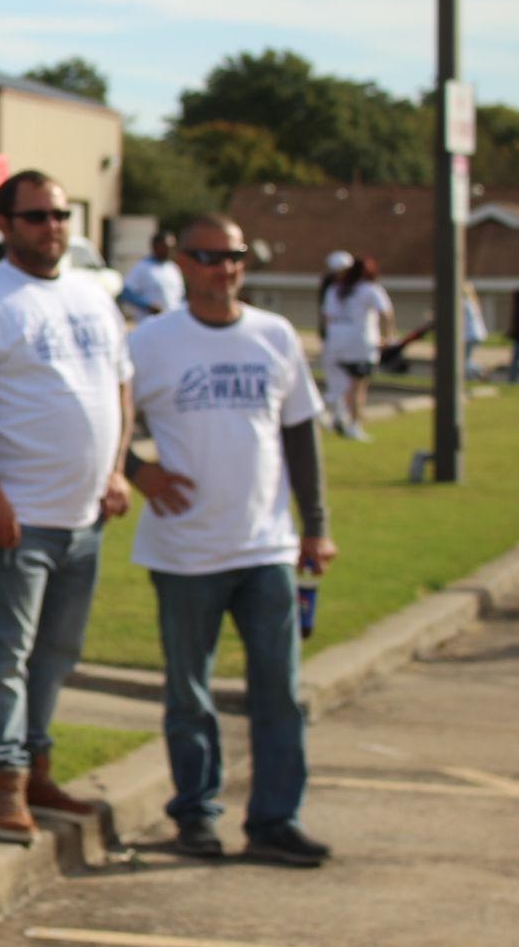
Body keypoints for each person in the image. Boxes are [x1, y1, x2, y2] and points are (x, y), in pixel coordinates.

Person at [0, 169, 133, 844]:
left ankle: (37, 765)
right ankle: (1, 781)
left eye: (61, 216)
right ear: (6, 222)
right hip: (9, 519)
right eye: (39, 216)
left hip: (82, 517)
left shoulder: (92, 297)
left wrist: (117, 470)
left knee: (56, 653)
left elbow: (120, 388)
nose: (53, 228)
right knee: (1, 655)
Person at [126, 213, 337, 867]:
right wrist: (140, 472)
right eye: (210, 256)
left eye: (236, 256)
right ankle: (196, 814)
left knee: (280, 692)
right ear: (181, 263)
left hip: (265, 547)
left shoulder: (273, 336)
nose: (225, 268)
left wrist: (317, 526)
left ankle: (275, 819)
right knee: (190, 691)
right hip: (185, 550)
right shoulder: (151, 341)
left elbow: (299, 434)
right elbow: (106, 420)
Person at [320, 254, 393, 441]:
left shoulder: (333, 290)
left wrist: (329, 339)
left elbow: (326, 318)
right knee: (357, 387)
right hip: (360, 344)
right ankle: (353, 424)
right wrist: (387, 337)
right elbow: (386, 312)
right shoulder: (370, 289)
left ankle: (337, 418)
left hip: (335, 344)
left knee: (338, 385)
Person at [315, 249, 353, 429]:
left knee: (343, 382)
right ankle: (325, 414)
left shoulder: (347, 289)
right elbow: (326, 316)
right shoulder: (332, 290)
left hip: (344, 340)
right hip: (335, 340)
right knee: (336, 381)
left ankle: (339, 416)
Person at [118, 230, 183, 321]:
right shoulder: (142, 267)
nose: (170, 250)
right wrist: (147, 306)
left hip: (171, 324)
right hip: (149, 325)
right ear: (155, 246)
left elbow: (179, 298)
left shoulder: (173, 268)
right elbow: (126, 293)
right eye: (166, 247)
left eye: (172, 247)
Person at [462, 282, 488, 381]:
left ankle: (478, 371)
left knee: (464, 359)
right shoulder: (472, 302)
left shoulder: (464, 303)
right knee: (466, 358)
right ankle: (477, 371)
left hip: (470, 335)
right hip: (477, 334)